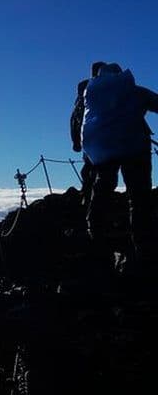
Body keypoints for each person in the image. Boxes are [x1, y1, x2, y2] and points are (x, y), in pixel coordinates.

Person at [81, 62, 158, 259]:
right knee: (139, 196)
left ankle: (95, 232)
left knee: (102, 188)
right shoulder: (133, 92)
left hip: (103, 150)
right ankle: (143, 245)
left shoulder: (93, 96)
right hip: (135, 147)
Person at [70, 62, 107, 204]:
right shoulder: (112, 89)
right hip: (110, 138)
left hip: (90, 139)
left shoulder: (86, 90)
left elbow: (75, 118)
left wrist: (76, 141)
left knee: (90, 170)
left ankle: (88, 200)